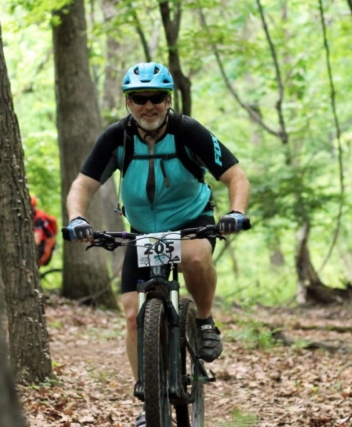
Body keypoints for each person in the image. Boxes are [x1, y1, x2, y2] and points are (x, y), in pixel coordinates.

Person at [63, 62, 250, 427]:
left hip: (190, 220)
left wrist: (235, 211)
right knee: (133, 315)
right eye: (139, 98)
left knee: (195, 258)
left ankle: (205, 321)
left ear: (168, 100)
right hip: (143, 230)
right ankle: (149, 400)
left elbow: (234, 175)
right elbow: (82, 185)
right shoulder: (116, 138)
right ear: (128, 102)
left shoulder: (188, 132)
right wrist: (77, 219)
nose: (148, 106)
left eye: (157, 98)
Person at [31, 195, 57, 267]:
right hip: (45, 241)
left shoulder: (39, 218)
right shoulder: (38, 215)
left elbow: (37, 240)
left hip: (46, 243)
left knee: (34, 263)